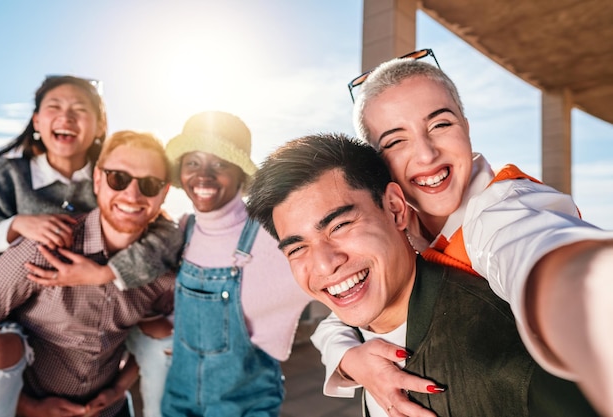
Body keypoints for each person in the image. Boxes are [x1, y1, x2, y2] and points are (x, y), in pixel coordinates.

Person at [311, 53, 613, 416]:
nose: (426, 155)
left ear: (466, 127)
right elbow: (335, 321)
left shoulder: (505, 209)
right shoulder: (400, 228)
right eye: (396, 141)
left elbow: (550, 259)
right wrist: (351, 359)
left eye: (440, 124)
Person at [246, 132, 598, 417]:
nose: (324, 265)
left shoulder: (513, 353)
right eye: (297, 248)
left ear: (396, 209)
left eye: (340, 225)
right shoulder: (359, 327)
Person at [0, 75, 181, 417]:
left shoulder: (117, 181)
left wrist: (106, 273)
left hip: (105, 383)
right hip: (20, 322)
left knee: (166, 329)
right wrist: (16, 225)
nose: (131, 195)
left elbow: (163, 229)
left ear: (99, 125)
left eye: (148, 185)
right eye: (118, 180)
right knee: (2, 349)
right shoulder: (5, 179)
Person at [160, 111, 312, 416]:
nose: (203, 175)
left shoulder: (270, 235)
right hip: (178, 401)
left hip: (245, 406)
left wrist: (347, 353)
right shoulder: (185, 229)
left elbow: (325, 286)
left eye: (220, 164)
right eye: (193, 163)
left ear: (241, 174)